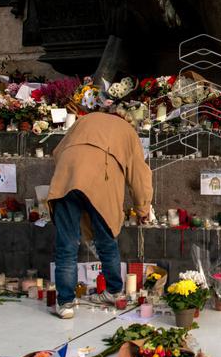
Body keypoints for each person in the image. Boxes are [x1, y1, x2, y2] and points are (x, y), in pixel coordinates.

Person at [47, 111, 153, 318]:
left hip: (67, 176)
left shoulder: (85, 119)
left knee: (67, 245)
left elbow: (58, 151)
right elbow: (139, 174)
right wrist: (142, 208)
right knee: (106, 240)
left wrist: (73, 170)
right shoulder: (128, 131)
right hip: (101, 180)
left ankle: (65, 303)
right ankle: (113, 291)